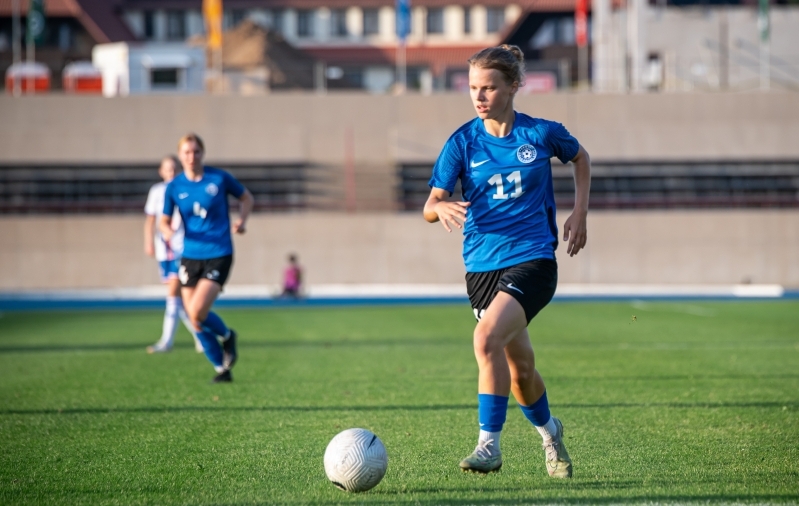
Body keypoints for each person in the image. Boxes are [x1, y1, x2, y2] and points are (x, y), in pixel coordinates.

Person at [423, 45, 591, 478]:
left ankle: (488, 447)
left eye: (489, 87)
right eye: (473, 88)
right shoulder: (461, 142)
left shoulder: (540, 133)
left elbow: (580, 158)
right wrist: (439, 209)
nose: (479, 96)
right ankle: (551, 434)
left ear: (514, 86)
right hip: (481, 269)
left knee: (484, 340)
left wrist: (580, 212)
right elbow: (430, 204)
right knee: (522, 372)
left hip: (533, 260)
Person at [160, 134, 254, 383]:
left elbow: (246, 197)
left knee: (197, 310)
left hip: (219, 252)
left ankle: (226, 335)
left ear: (203, 153)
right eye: (187, 153)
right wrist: (168, 232)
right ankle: (221, 369)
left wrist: (242, 221)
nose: (192, 157)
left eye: (196, 152)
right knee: (194, 319)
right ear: (180, 156)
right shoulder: (174, 186)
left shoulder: (219, 178)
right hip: (189, 256)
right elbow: (163, 220)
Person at [143, 155, 204, 354]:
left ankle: (167, 341)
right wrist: (148, 242)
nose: (170, 173)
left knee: (174, 294)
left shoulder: (184, 187)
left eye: (174, 169)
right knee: (180, 300)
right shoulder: (157, 191)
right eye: (167, 169)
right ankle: (201, 336)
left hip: (182, 248)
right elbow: (151, 220)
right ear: (161, 171)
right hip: (164, 249)